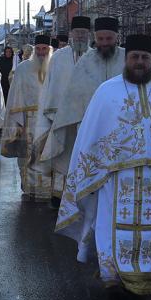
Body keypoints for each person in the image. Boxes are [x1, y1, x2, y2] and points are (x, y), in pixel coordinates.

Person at [56, 34, 151, 296]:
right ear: (126, 59)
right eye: (135, 57)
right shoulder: (107, 92)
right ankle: (111, 273)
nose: (139, 62)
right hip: (114, 177)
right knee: (109, 222)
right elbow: (90, 134)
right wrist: (88, 172)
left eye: (145, 58)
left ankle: (145, 275)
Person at [42, 17, 125, 195]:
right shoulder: (86, 60)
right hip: (89, 124)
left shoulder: (125, 59)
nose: (104, 44)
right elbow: (73, 92)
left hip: (121, 124)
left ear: (116, 38)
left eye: (108, 39)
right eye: (100, 39)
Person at [35, 16, 93, 208]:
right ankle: (59, 197)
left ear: (89, 35)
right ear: (70, 34)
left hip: (86, 120)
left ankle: (83, 195)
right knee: (62, 155)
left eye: (84, 33)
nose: (80, 37)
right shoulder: (59, 57)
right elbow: (50, 86)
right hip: (61, 119)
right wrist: (49, 113)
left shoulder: (94, 57)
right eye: (77, 33)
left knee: (85, 157)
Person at [2, 35, 53, 201]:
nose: (41, 52)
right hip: (28, 120)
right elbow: (16, 95)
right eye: (38, 49)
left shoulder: (56, 67)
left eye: (44, 48)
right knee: (28, 156)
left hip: (50, 118)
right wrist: (18, 122)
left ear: (49, 49)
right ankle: (30, 187)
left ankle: (49, 188)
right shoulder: (23, 68)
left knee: (47, 154)